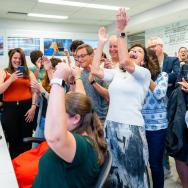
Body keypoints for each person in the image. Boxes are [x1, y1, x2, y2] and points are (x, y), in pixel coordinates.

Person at [90, 8, 151, 188]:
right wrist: (101, 43)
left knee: (134, 174)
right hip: (111, 125)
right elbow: (94, 71)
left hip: (131, 128)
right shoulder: (117, 73)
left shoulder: (144, 74)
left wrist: (121, 31)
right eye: (131, 49)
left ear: (144, 60)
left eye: (138, 51)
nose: (133, 52)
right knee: (115, 173)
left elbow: (125, 61)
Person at [32, 62, 107, 187]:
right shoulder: (83, 131)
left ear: (76, 118)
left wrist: (58, 79)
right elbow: (83, 102)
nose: (57, 118)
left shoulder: (83, 145)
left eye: (61, 114)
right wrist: (74, 81)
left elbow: (54, 137)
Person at [0, 48, 37, 159]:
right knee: (13, 139)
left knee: (26, 138)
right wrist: (11, 79)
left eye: (20, 58)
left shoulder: (28, 73)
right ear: (11, 58)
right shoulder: (4, 71)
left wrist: (33, 107)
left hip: (27, 108)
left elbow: (35, 91)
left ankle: (25, 163)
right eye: (15, 58)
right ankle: (14, 164)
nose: (17, 60)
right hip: (10, 109)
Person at [142, 48, 168, 188]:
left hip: (157, 128)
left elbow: (159, 93)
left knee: (155, 164)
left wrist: (145, 75)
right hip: (139, 125)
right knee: (141, 162)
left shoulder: (162, 75)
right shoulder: (135, 77)